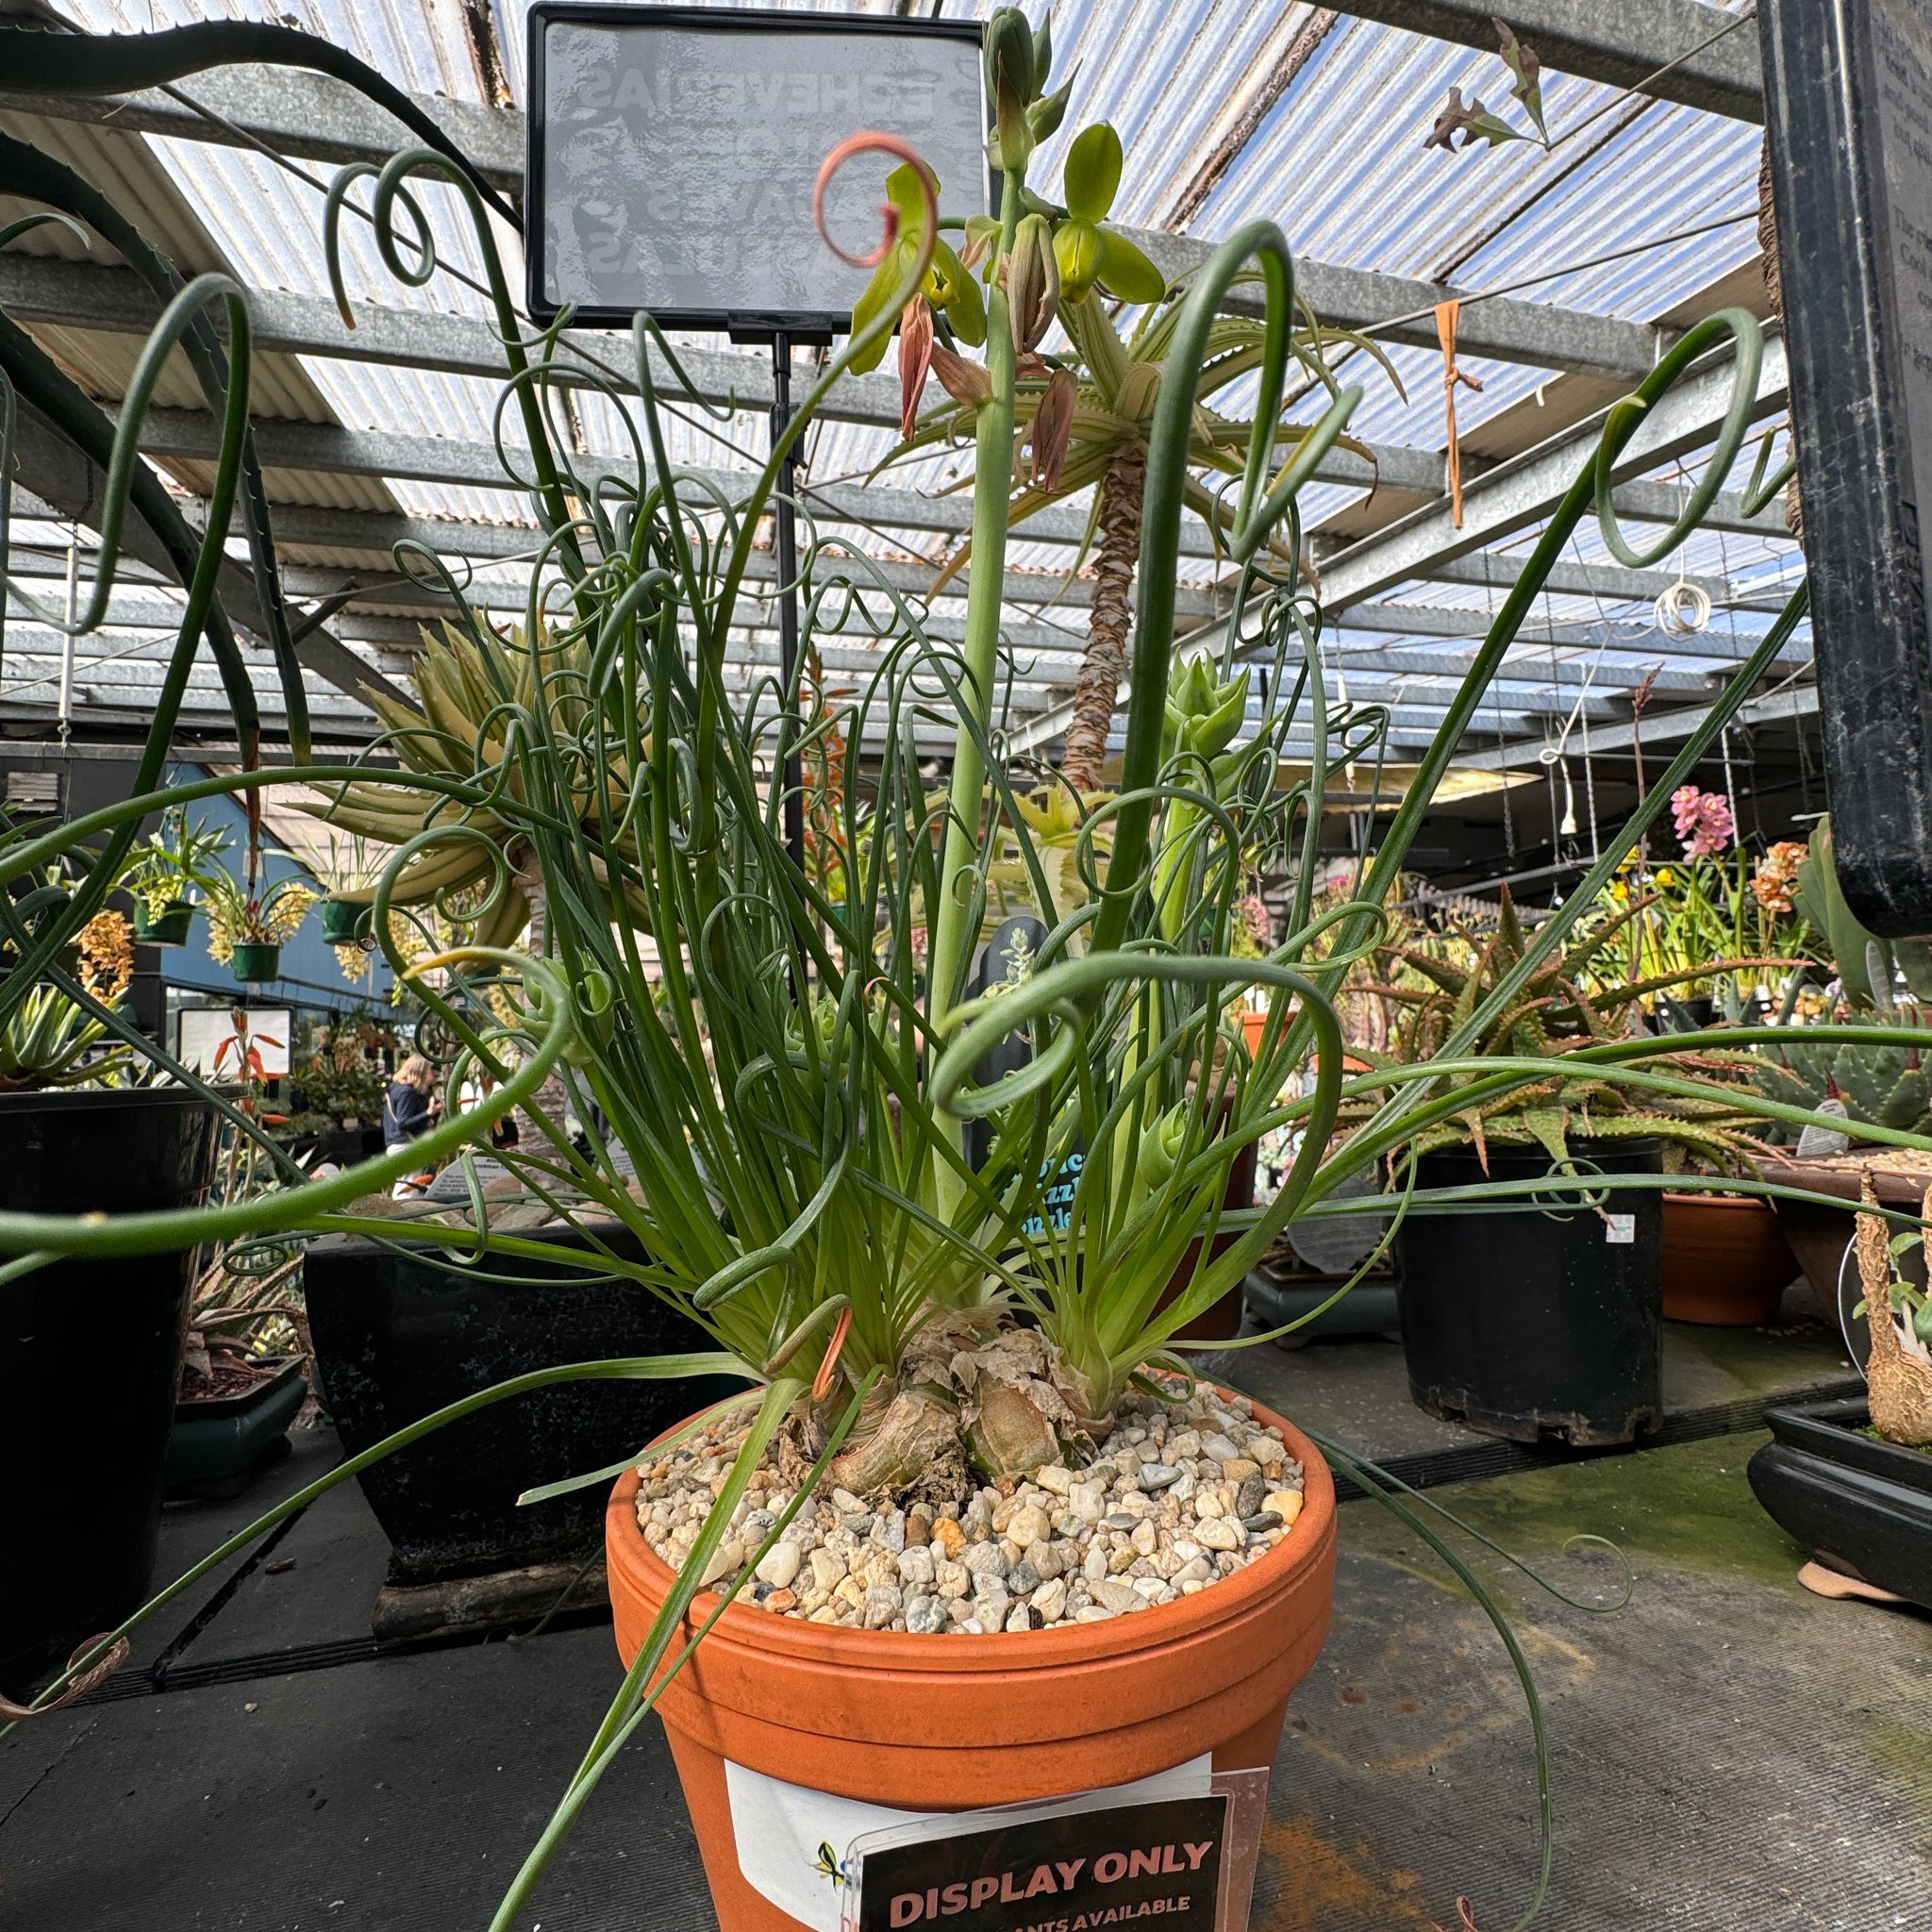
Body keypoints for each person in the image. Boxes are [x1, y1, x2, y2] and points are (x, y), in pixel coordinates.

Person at [384, 1055, 441, 1197]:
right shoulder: (407, 1092)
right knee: (408, 1190)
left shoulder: (395, 1089)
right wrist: (428, 1113)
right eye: (428, 1071)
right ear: (420, 1071)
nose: (431, 1075)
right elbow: (403, 1123)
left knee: (404, 1185)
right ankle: (402, 1218)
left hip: (395, 1145)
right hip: (405, 1145)